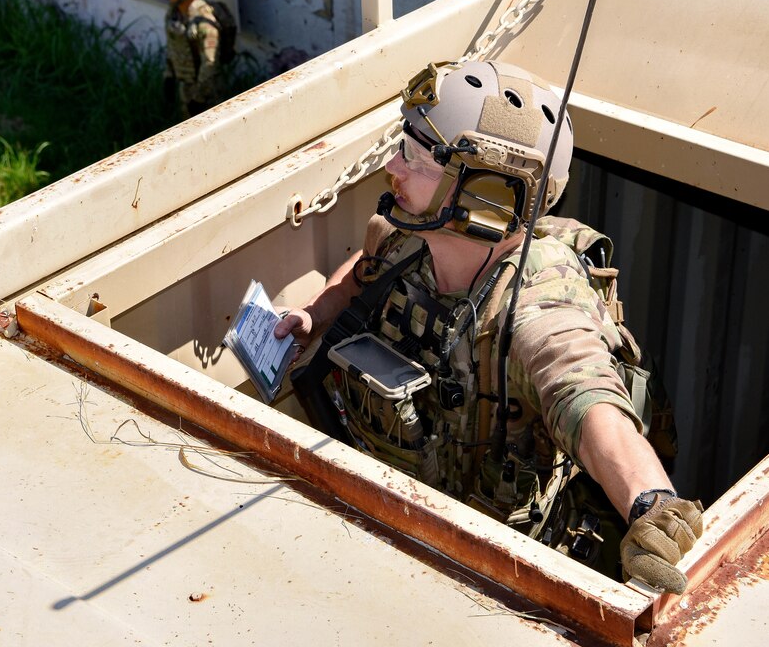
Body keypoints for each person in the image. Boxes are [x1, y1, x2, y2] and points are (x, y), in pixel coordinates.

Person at [274, 59, 703, 593]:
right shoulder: (411, 237)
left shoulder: (537, 308)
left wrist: (651, 506)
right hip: (402, 522)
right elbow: (365, 267)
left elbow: (590, 402)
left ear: (484, 193)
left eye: (414, 155)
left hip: (499, 573)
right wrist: (316, 313)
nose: (393, 167)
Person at [163, 0, 227, 118]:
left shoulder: (204, 23)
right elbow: (173, 47)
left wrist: (199, 97)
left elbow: (210, 64)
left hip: (207, 92)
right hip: (186, 86)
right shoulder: (174, 15)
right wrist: (169, 76)